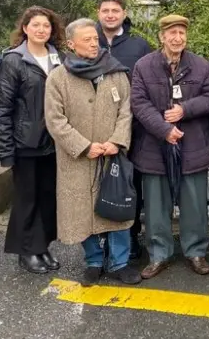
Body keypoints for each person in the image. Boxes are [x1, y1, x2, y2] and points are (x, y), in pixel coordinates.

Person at [45, 18, 140, 286]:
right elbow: (55, 120)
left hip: (112, 154)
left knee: (117, 206)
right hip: (77, 158)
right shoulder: (58, 78)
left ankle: (120, 262)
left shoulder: (116, 73)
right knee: (81, 209)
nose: (93, 43)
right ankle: (94, 261)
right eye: (86, 39)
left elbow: (127, 110)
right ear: (71, 44)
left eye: (95, 39)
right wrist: (84, 146)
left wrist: (117, 141)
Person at [131, 14, 209, 280]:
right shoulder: (143, 66)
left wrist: (185, 110)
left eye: (181, 33)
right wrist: (164, 129)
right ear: (161, 37)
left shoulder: (202, 66)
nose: (177, 38)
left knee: (194, 204)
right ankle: (159, 254)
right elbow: (138, 103)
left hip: (193, 146)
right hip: (153, 147)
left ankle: (195, 251)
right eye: (172, 33)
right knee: (157, 206)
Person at [0, 6, 66, 274]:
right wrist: (5, 150)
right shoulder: (14, 60)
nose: (41, 30)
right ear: (25, 28)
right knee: (27, 198)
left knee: (48, 197)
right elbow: (2, 108)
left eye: (46, 26)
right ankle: (26, 251)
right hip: (25, 143)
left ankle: (42, 246)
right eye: (35, 25)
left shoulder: (59, 58)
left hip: (54, 142)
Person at [96, 0, 152, 259]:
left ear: (124, 14)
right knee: (97, 185)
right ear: (99, 13)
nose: (110, 15)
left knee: (129, 184)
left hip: (132, 129)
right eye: (105, 10)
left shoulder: (139, 46)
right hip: (95, 130)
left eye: (115, 11)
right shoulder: (86, 42)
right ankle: (100, 239)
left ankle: (130, 236)